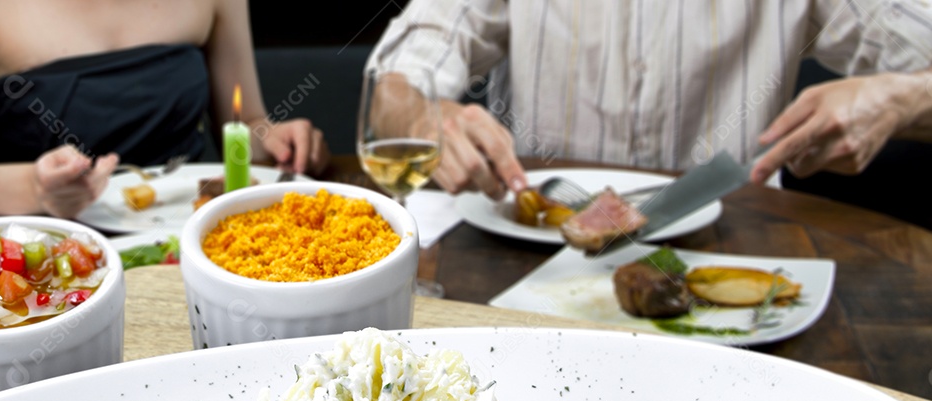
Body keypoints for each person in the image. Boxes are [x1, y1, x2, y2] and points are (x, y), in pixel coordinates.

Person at [366, 0, 932, 199]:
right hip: (524, 256)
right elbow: (404, 68)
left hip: (730, 259)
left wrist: (903, 98)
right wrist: (422, 114)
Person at [0, 0, 329, 221]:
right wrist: (36, 189)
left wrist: (274, 137)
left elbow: (244, 125)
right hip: (43, 259)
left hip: (196, 245)